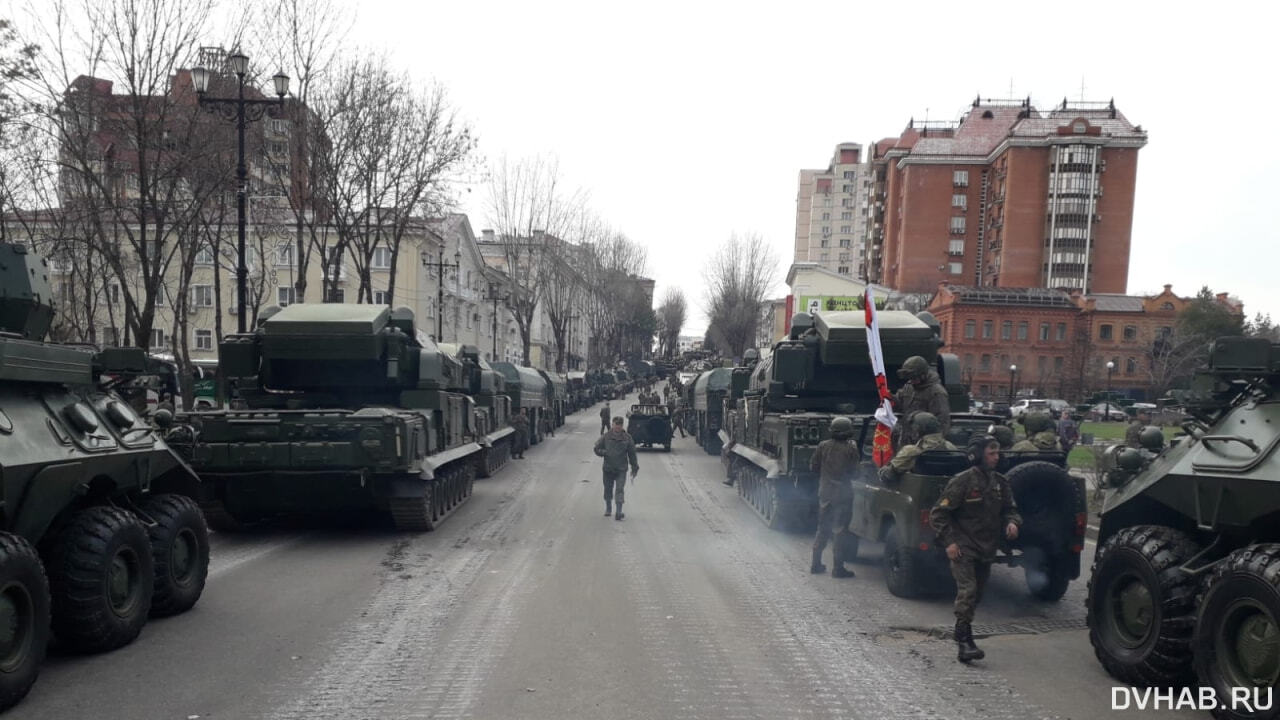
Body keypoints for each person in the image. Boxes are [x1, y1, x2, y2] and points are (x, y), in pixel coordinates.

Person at [930, 435, 1022, 663]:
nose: (996, 457)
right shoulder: (963, 481)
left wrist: (1013, 523)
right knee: (968, 591)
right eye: (991, 453)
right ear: (978, 455)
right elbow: (939, 514)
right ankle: (964, 641)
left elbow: (1011, 509)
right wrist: (949, 542)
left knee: (978, 593)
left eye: (997, 453)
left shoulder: (1000, 482)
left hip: (987, 547)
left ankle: (963, 630)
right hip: (963, 546)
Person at [809, 416, 860, 578]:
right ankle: (838, 568)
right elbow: (855, 473)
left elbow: (814, 467)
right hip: (843, 495)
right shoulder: (851, 449)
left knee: (822, 528)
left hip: (825, 492)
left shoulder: (822, 446)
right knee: (839, 531)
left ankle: (815, 564)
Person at [878, 412, 957, 484]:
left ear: (918, 429)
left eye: (913, 428)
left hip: (916, 495)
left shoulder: (911, 451)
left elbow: (888, 476)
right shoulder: (950, 447)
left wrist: (883, 470)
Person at [893, 355, 951, 447]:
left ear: (923, 375)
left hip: (924, 446)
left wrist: (930, 445)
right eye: (910, 378)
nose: (911, 381)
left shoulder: (936, 392)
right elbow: (899, 405)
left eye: (914, 378)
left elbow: (942, 423)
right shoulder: (908, 387)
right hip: (906, 441)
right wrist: (889, 399)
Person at [594, 416, 638, 520]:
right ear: (612, 425)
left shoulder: (627, 438)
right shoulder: (606, 436)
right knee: (608, 489)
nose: (617, 427)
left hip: (621, 469)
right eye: (616, 424)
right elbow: (596, 448)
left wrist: (634, 467)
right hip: (608, 468)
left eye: (620, 425)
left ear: (622, 426)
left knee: (619, 489)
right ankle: (608, 508)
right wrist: (604, 453)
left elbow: (632, 453)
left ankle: (618, 511)